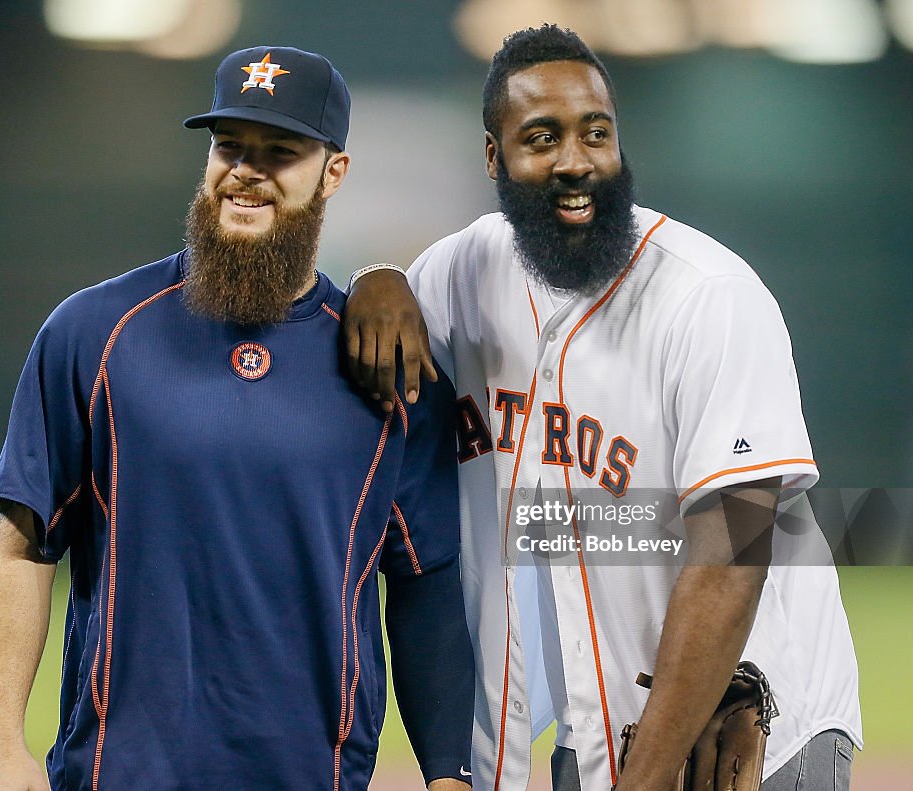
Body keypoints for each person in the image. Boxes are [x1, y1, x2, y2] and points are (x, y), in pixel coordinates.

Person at [343, 25, 861, 791]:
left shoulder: (710, 298)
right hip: (597, 734)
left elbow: (736, 544)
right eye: (542, 138)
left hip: (754, 732)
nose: (575, 160)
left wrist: (645, 779)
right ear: (495, 157)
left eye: (596, 132)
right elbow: (387, 319)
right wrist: (374, 276)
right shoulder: (457, 275)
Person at [0, 45, 475, 791]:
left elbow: (424, 581)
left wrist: (446, 774)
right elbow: (20, 548)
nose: (248, 170)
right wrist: (0, 741)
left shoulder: (387, 364)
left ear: (333, 172)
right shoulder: (93, 333)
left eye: (282, 151)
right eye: (229, 145)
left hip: (315, 774)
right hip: (119, 774)